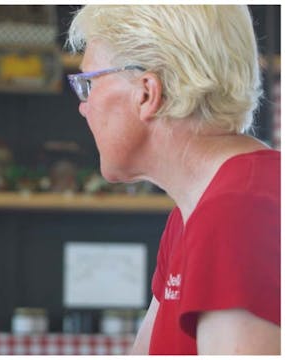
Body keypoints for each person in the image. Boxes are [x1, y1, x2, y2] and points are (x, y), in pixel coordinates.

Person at [66, 5, 280, 355]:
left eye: (89, 84)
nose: (83, 106)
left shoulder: (237, 211)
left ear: (147, 93)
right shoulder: (195, 210)